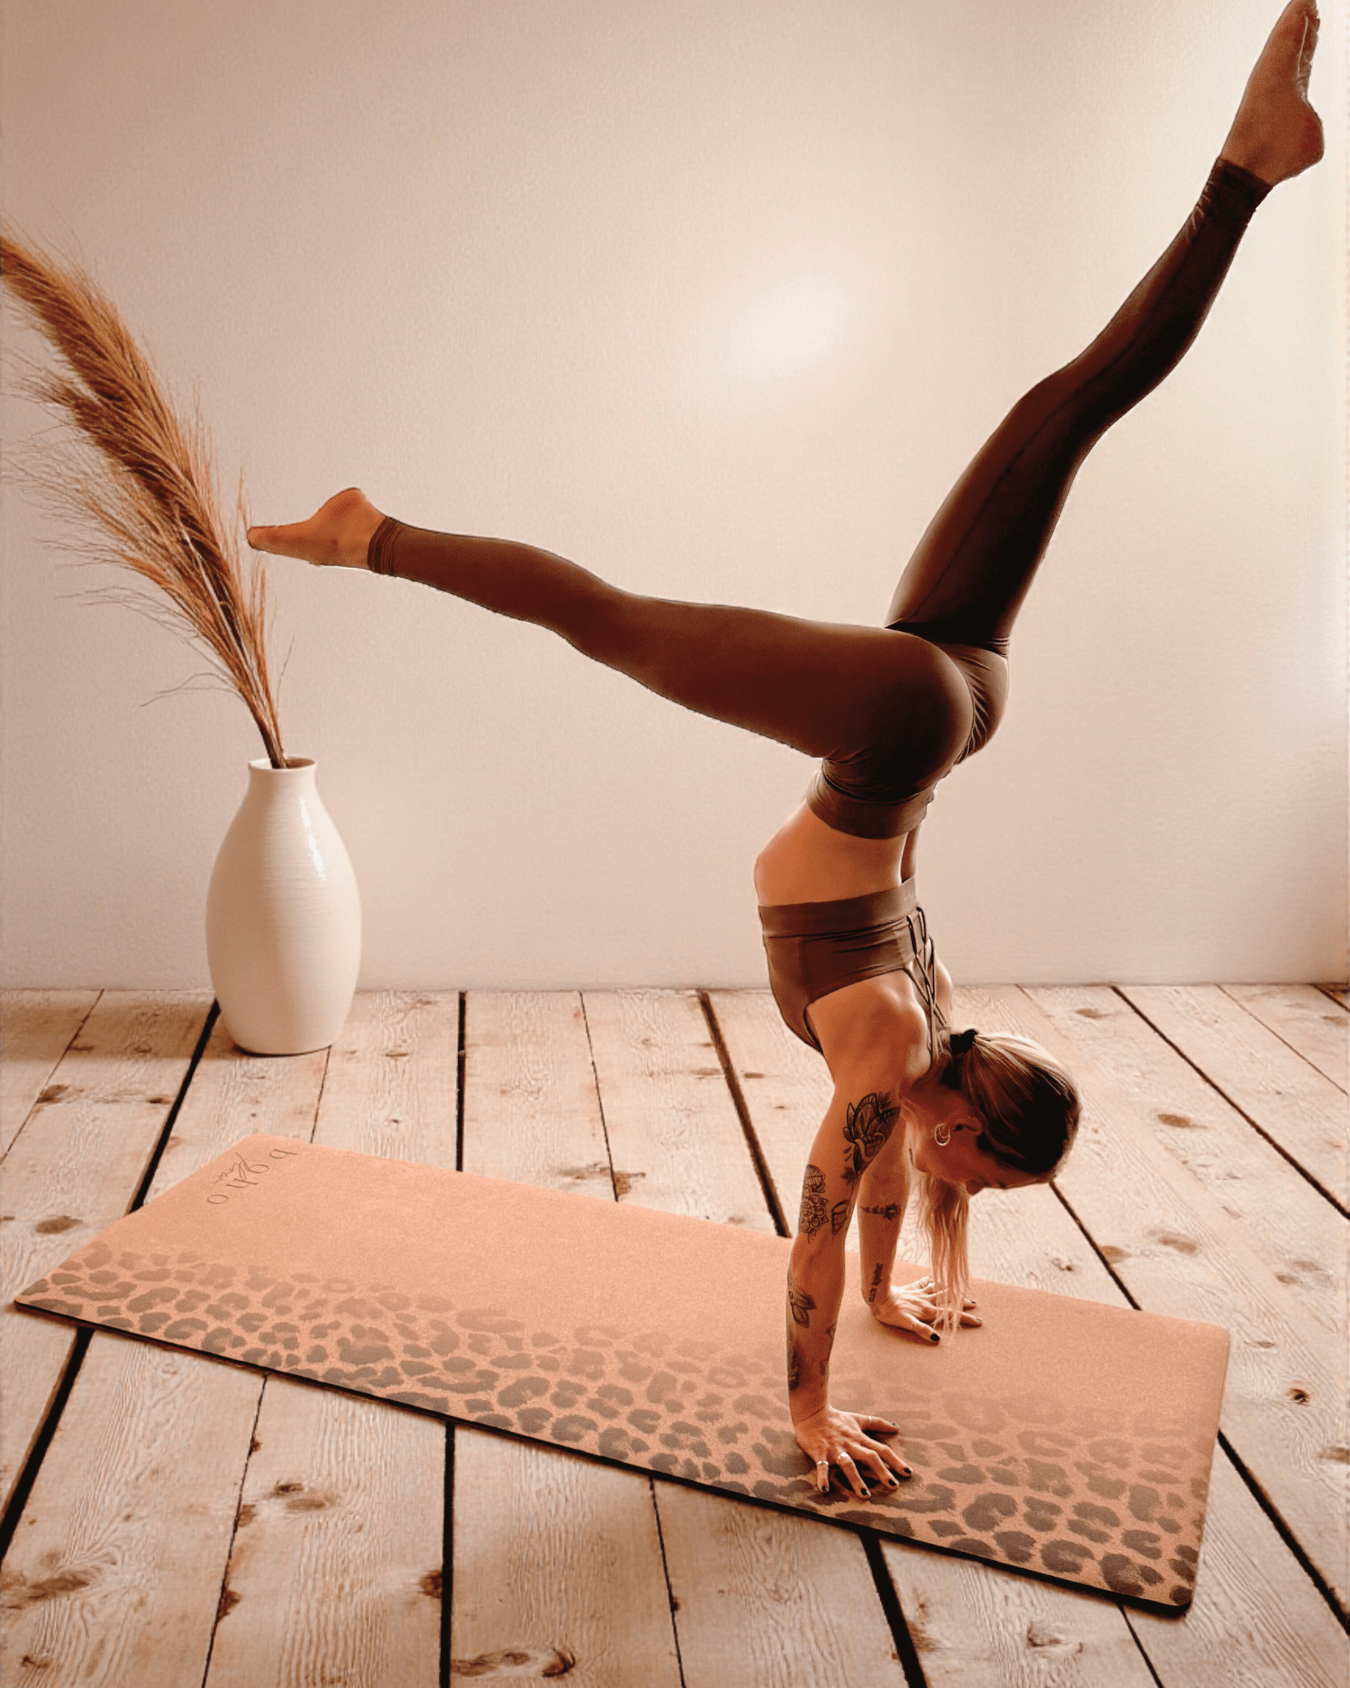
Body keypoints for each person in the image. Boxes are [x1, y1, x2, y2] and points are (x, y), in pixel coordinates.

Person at [248, 3, 1323, 1501]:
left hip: (953, 709)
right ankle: (371, 533)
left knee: (1063, 414)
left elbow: (886, 1188)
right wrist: (811, 1408)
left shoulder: (937, 1050)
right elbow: (815, 1230)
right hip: (896, 730)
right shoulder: (890, 1063)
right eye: (979, 1170)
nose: (963, 1188)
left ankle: (1244, 170)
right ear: (962, 1121)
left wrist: (897, 1288)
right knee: (607, 619)